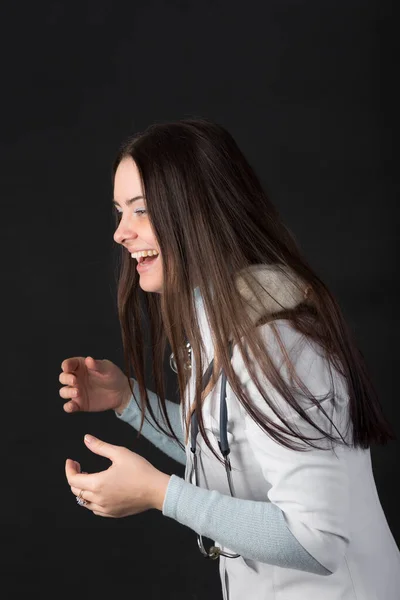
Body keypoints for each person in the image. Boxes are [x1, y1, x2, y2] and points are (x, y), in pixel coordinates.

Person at [59, 118, 400, 600]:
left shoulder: (281, 343)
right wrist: (128, 401)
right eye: (119, 212)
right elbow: (232, 449)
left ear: (197, 213)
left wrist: (160, 493)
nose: (120, 233)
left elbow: (316, 538)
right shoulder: (221, 322)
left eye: (141, 211)